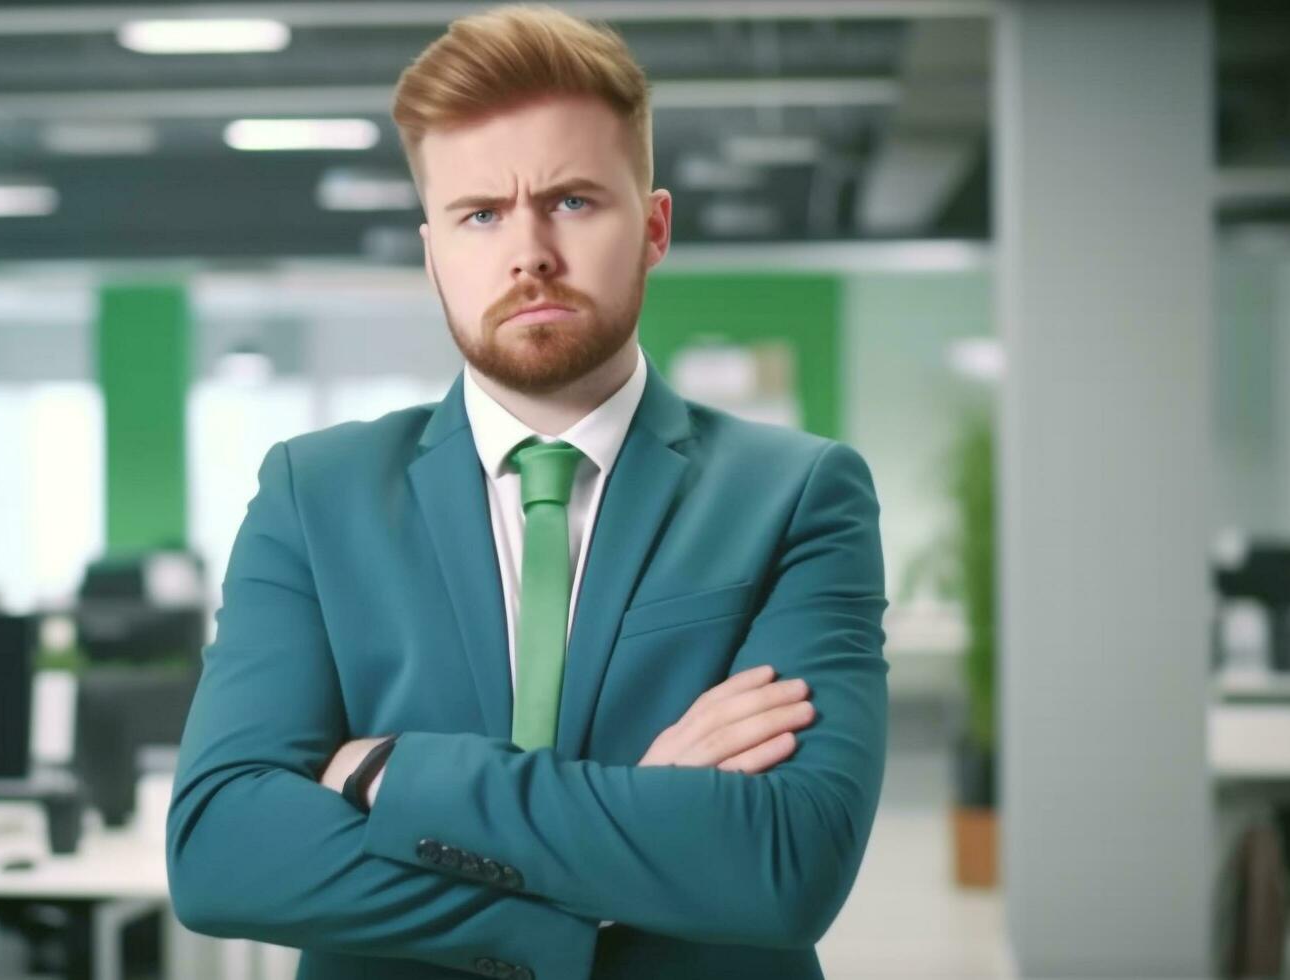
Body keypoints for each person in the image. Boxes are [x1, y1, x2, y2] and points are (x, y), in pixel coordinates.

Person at [166, 6, 888, 979]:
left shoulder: (795, 495)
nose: (529, 252)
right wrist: (602, 867)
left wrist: (390, 773)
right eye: (479, 213)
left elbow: (784, 860)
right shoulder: (315, 495)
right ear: (433, 253)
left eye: (573, 201)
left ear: (654, 227)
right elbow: (220, 853)